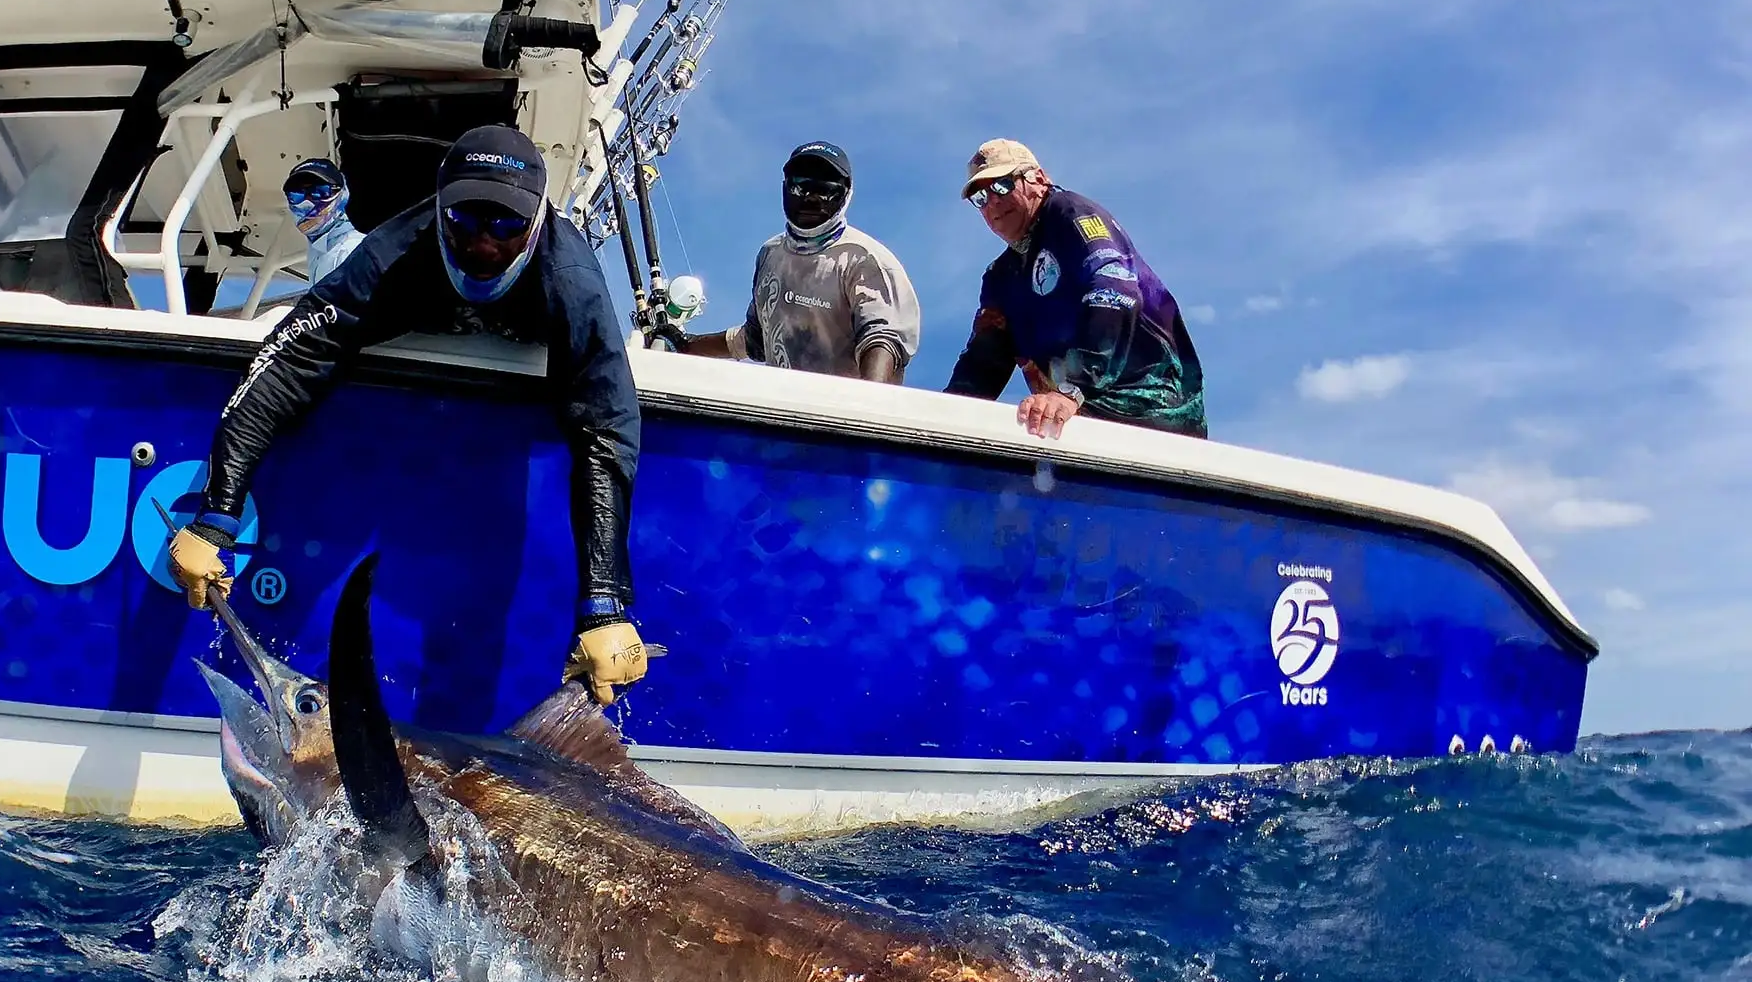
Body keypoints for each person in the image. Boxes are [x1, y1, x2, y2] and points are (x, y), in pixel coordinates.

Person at [168, 126, 650, 705]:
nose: (485, 242)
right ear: (439, 209)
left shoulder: (571, 283)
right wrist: (215, 515)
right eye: (467, 220)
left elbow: (605, 434)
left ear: (539, 222)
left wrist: (605, 602)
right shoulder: (396, 256)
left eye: (507, 225)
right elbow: (284, 365)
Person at [944, 139, 1206, 439]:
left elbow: (1113, 289)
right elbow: (984, 359)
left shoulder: (1071, 214)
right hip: (1085, 424)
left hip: (1154, 416)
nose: (993, 202)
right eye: (980, 197)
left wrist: (1071, 390)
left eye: (1002, 185)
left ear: (1038, 179)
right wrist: (946, 415)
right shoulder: (1000, 278)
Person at [672, 141, 920, 383]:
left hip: (842, 417)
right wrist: (685, 346)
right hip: (780, 414)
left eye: (825, 189)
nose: (811, 198)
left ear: (846, 195)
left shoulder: (864, 260)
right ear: (784, 188)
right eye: (800, 187)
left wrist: (866, 413)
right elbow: (755, 340)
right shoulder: (771, 255)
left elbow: (882, 342)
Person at [282, 157, 365, 285]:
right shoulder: (320, 247)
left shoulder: (350, 251)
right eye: (296, 195)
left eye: (319, 192)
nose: (306, 202)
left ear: (342, 193)